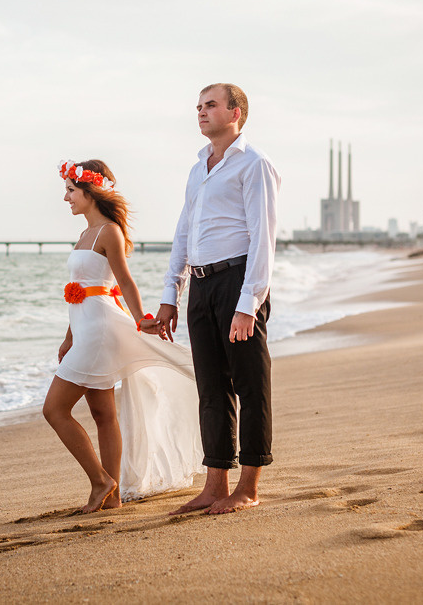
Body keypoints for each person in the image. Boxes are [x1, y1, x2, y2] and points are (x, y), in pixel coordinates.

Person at [44, 160, 203, 514]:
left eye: (71, 190)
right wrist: (68, 336)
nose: (66, 197)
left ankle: (101, 481)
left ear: (90, 192)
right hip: (85, 329)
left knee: (54, 410)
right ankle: (112, 496)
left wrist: (140, 318)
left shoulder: (109, 232)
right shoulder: (85, 234)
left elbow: (122, 282)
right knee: (103, 414)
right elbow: (82, 291)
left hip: (99, 332)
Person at [157, 83, 281, 516]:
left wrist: (249, 302)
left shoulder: (254, 163)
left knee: (250, 385)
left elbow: (263, 238)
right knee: (211, 389)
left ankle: (248, 488)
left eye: (210, 105)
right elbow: (184, 232)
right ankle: (214, 486)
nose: (201, 112)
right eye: (198, 106)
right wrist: (170, 293)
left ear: (236, 112)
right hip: (201, 284)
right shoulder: (198, 169)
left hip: (238, 281)